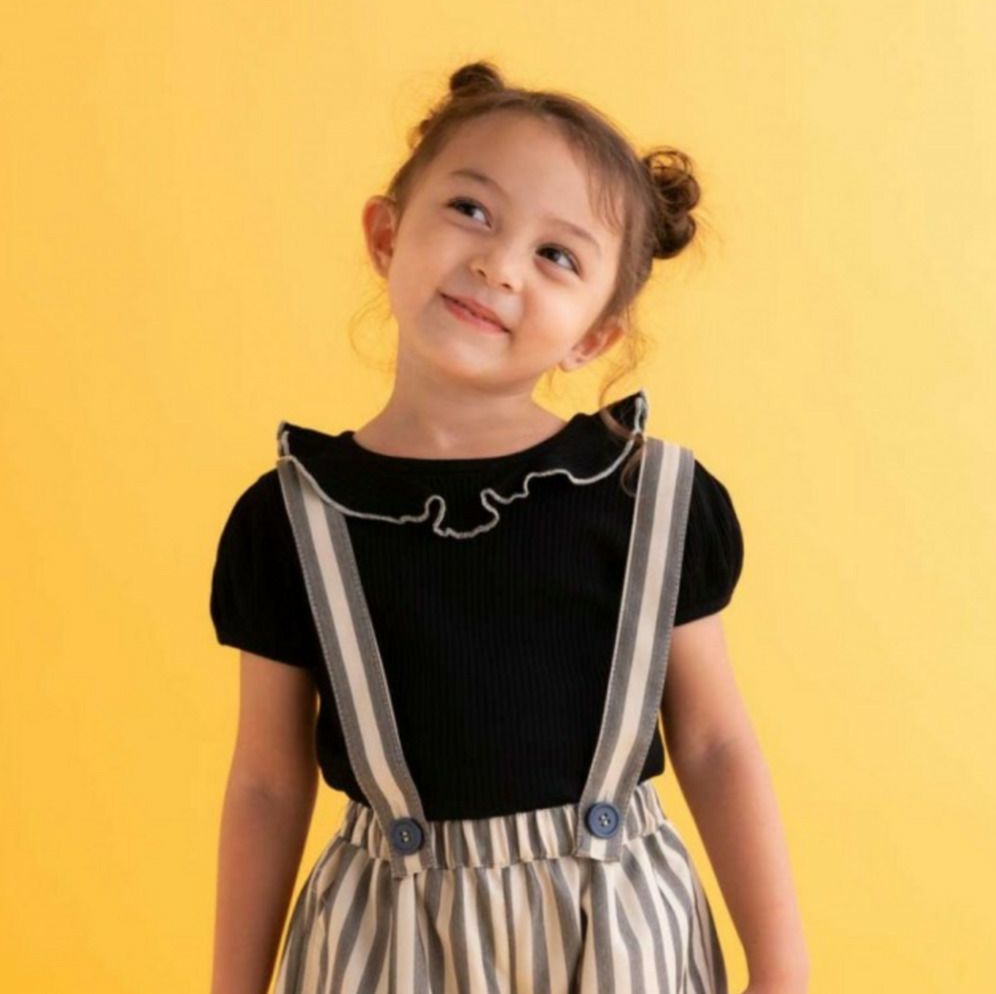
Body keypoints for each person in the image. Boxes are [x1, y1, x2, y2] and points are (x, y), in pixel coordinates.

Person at [208, 60, 809, 994]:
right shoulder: (291, 520)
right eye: (472, 210)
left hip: (620, 938)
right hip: (385, 945)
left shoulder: (649, 501)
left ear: (593, 336)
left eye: (557, 255)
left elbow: (715, 744)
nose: (499, 265)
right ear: (386, 234)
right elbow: (266, 783)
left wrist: (782, 968)